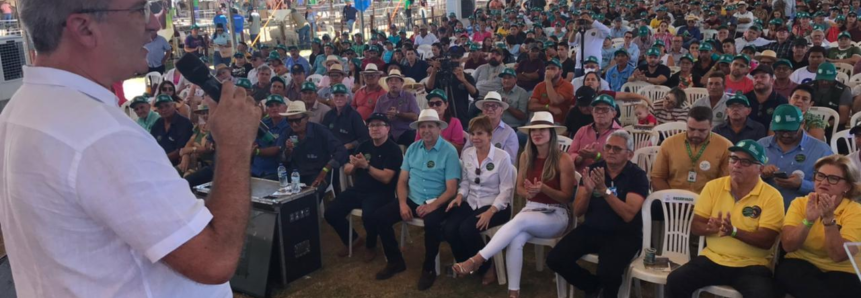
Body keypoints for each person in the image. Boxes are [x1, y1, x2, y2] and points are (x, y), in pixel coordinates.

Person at [0, 1, 263, 295]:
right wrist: (235, 144)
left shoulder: (22, 108)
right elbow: (215, 259)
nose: (153, 25)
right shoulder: (101, 134)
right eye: (140, 10)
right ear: (84, 28)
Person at [451, 112, 575, 298]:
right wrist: (531, 192)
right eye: (533, 130)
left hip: (556, 215)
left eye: (542, 129)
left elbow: (566, 198)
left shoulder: (563, 159)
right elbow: (519, 190)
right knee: (516, 238)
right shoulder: (526, 156)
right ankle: (513, 292)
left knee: (519, 222)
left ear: (552, 133)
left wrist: (544, 189)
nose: (537, 133)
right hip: (531, 210)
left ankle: (477, 259)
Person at [666, 139, 784, 297]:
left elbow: (766, 240)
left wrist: (733, 232)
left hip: (752, 265)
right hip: (713, 259)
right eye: (734, 159)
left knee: (763, 294)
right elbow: (695, 226)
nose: (737, 165)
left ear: (760, 169)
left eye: (745, 162)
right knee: (676, 281)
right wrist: (709, 228)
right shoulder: (713, 186)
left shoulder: (772, 196)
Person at [548, 130, 649, 298]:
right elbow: (578, 211)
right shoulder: (594, 169)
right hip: (592, 228)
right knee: (555, 258)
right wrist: (587, 192)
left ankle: (604, 289)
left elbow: (628, 214)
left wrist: (603, 190)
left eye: (616, 149)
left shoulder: (637, 176)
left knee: (608, 272)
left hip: (624, 233)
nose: (610, 151)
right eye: (608, 147)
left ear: (629, 154)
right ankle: (593, 286)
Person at [371, 109, 461, 290]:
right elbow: (402, 181)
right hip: (414, 197)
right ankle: (396, 261)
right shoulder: (413, 148)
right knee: (380, 217)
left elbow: (451, 190)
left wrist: (433, 206)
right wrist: (403, 204)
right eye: (422, 127)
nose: (426, 130)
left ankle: (429, 269)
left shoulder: (449, 151)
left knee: (432, 223)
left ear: (439, 129)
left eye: (430, 126)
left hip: (439, 199)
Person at [775, 154, 861, 297]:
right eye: (820, 176)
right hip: (802, 264)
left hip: (843, 270)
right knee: (790, 272)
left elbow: (838, 256)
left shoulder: (856, 211)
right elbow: (788, 246)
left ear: (847, 186)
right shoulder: (800, 203)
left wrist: (829, 221)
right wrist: (808, 221)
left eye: (833, 179)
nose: (824, 182)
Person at [444, 115, 515, 285]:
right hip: (471, 201)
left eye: (480, 133)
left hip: (496, 205)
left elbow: (507, 190)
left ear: (489, 135)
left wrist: (491, 212)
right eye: (472, 134)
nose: (475, 138)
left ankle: (487, 268)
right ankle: (464, 261)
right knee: (449, 228)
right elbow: (466, 182)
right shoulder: (467, 154)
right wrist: (460, 196)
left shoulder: (502, 157)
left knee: (467, 229)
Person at [324, 112, 403, 260]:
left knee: (369, 214)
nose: (374, 128)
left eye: (379, 125)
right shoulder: (364, 145)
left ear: (388, 128)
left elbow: (386, 178)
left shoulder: (393, 149)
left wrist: (366, 166)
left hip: (381, 192)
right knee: (330, 212)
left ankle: (371, 245)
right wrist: (354, 165)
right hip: (359, 189)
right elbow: (347, 170)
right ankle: (353, 239)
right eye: (371, 125)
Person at [759, 104, 834, 208]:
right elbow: (742, 179)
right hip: (762, 210)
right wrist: (761, 175)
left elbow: (833, 186)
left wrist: (801, 185)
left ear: (802, 124)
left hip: (804, 214)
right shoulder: (760, 146)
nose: (785, 134)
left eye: (790, 130)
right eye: (780, 130)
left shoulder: (821, 150)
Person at [652, 106, 733, 193]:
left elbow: (726, 182)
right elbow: (657, 177)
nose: (696, 134)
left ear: (711, 127)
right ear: (686, 125)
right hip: (672, 199)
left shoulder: (725, 146)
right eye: (691, 129)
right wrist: (670, 199)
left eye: (702, 131)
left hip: (708, 200)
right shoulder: (669, 143)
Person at [277, 101, 348, 197]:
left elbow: (341, 150)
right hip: (295, 174)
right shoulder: (287, 133)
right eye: (290, 121)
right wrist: (288, 151)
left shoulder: (320, 131)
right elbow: (282, 159)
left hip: (317, 173)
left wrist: (325, 170)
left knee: (312, 195)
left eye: (297, 120)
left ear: (306, 118)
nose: (294, 124)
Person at [567, 94, 621, 173]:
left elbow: (620, 162)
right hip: (580, 179)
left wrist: (597, 156)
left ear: (614, 113)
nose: (600, 112)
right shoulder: (582, 130)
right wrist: (579, 158)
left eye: (605, 109)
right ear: (592, 112)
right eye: (597, 109)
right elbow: (570, 154)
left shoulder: (621, 134)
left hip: (608, 180)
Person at [464, 91, 519, 164]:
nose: (490, 109)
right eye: (486, 106)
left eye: (494, 106)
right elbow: (465, 154)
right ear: (483, 110)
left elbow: (509, 161)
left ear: (501, 110)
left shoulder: (509, 133)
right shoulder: (475, 130)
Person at [373, 70, 420, 145]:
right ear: (388, 84)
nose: (393, 83)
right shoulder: (381, 99)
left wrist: (398, 113)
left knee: (412, 137)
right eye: (391, 81)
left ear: (401, 83)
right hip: (387, 133)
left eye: (396, 80)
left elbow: (415, 116)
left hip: (405, 131)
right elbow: (375, 117)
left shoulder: (409, 96)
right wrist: (386, 118)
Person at [425, 62, 478, 126]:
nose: (451, 62)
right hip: (441, 117)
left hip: (461, 114)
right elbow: (428, 89)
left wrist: (464, 80)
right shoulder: (439, 76)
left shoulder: (465, 76)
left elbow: (475, 94)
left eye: (455, 58)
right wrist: (434, 71)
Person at [250, 95, 290, 180]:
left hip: (274, 172)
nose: (274, 108)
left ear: (285, 108)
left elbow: (278, 149)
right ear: (267, 110)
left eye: (277, 105)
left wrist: (256, 151)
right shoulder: (262, 123)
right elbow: (252, 141)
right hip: (255, 169)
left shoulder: (289, 126)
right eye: (271, 105)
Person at [151, 94, 194, 166]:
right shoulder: (158, 123)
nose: (164, 109)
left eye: (167, 106)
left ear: (174, 106)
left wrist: (161, 159)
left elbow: (180, 150)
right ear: (157, 110)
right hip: (158, 162)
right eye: (160, 107)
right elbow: (151, 144)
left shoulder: (184, 123)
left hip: (176, 164)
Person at [527, 58, 574, 123]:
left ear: (560, 71)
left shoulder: (567, 85)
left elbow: (555, 101)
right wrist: (548, 107)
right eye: (548, 68)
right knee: (520, 133)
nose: (549, 71)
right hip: (540, 121)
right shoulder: (539, 86)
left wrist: (548, 81)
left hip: (557, 122)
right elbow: (531, 106)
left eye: (553, 68)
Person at [806, 62, 852, 127]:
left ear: (835, 75)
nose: (825, 82)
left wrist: (823, 125)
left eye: (828, 79)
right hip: (807, 123)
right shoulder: (807, 87)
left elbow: (843, 118)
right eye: (822, 79)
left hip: (832, 126)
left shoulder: (844, 90)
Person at [745, 64, 789, 131]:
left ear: (772, 81)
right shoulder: (744, 99)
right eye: (755, 77)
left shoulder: (782, 102)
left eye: (763, 77)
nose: (758, 80)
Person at [177, 104, 214, 178]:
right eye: (203, 113)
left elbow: (208, 148)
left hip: (208, 166)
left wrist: (189, 150)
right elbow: (188, 144)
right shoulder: (198, 128)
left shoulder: (216, 129)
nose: (205, 115)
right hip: (193, 162)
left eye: (208, 112)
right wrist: (185, 156)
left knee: (186, 179)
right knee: (171, 174)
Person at [569, 11, 611, 75]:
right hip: (580, 65)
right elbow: (571, 43)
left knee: (594, 83)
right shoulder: (579, 32)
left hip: (594, 65)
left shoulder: (598, 30)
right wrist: (574, 31)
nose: (584, 20)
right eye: (582, 19)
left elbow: (608, 31)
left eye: (586, 18)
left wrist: (591, 21)